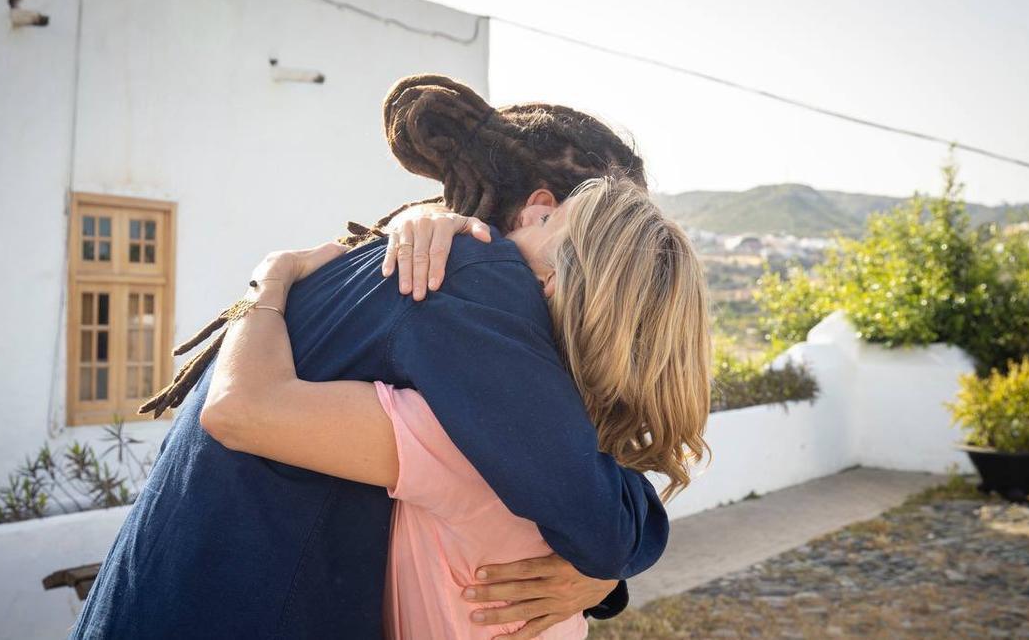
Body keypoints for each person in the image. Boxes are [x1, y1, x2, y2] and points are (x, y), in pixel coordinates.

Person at [72, 76, 670, 639]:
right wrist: (611, 561)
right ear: (543, 209)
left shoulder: (400, 266)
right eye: (606, 239)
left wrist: (266, 284)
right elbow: (600, 520)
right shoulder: (473, 280)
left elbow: (535, 469)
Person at [201, 175, 712, 639]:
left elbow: (239, 408)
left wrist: (269, 279)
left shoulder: (458, 432)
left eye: (549, 220)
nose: (528, 214)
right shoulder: (588, 457)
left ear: (549, 284)